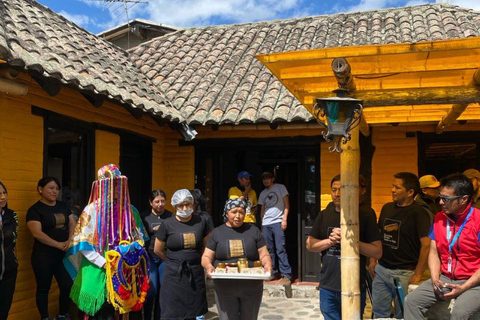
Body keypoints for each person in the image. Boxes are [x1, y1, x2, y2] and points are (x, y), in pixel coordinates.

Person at [63, 164, 148, 319]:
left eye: (119, 184)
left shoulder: (130, 210)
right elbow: (84, 243)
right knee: (101, 312)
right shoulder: (91, 210)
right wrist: (105, 263)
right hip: (99, 266)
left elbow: (139, 238)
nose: (117, 188)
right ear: (102, 186)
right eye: (113, 185)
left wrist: (129, 255)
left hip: (125, 267)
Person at [404, 173, 480, 319]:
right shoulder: (439, 219)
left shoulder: (478, 221)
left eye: (446, 199)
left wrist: (464, 287)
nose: (440, 202)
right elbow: (433, 251)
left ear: (464, 199)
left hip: (475, 281)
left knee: (459, 312)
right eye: (440, 197)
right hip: (446, 278)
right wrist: (434, 278)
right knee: (411, 301)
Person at [306, 175, 382, 320]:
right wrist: (330, 241)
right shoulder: (324, 214)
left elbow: (377, 252)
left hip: (354, 286)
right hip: (328, 284)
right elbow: (310, 244)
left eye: (341, 189)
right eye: (334, 190)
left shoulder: (365, 215)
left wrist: (350, 240)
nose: (337, 194)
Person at [369, 172, 431, 319]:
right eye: (393, 186)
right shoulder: (387, 208)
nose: (392, 190)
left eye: (397, 187)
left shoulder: (419, 213)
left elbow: (427, 245)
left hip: (404, 273)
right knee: (379, 314)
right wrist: (373, 260)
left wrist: (418, 274)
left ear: (410, 192)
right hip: (382, 270)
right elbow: (378, 235)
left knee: (402, 314)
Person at [202, 198, 272, 320]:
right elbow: (206, 256)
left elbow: (264, 254)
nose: (238, 216)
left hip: (251, 285)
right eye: (234, 212)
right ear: (226, 213)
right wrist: (208, 266)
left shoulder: (253, 231)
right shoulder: (217, 232)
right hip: (225, 285)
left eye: (241, 212)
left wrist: (267, 265)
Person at [154, 189, 213, 320]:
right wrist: (172, 260)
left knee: (193, 310)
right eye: (181, 205)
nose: (185, 208)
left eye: (187, 204)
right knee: (172, 311)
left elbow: (206, 246)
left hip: (195, 271)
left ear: (193, 204)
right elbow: (158, 249)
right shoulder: (167, 224)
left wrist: (201, 262)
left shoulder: (201, 222)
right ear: (175, 206)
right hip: (173, 274)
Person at [26, 177, 75, 320]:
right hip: (43, 256)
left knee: (67, 285)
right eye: (51, 188)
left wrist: (69, 239)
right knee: (43, 289)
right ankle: (45, 317)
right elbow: (37, 233)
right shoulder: (34, 210)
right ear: (40, 189)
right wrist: (58, 244)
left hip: (63, 255)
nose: (55, 191)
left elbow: (72, 223)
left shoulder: (63, 206)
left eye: (57, 188)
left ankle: (62, 314)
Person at [258, 171, 292, 296]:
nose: (266, 181)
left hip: (278, 221)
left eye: (268, 179)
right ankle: (272, 272)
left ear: (272, 179)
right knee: (269, 249)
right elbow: (262, 210)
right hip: (266, 223)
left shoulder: (280, 187)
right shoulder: (263, 193)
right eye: (264, 179)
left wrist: (284, 219)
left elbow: (287, 204)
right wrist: (261, 225)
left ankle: (286, 274)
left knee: (280, 248)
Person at [143, 190, 173, 320]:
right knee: (151, 290)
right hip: (149, 257)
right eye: (157, 201)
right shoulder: (144, 217)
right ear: (150, 203)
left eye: (162, 201)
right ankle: (147, 315)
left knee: (163, 289)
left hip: (164, 257)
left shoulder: (171, 217)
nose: (160, 204)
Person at [0, 181, 18, 320]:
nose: (2, 197)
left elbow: (13, 242)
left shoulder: (12, 215)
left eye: (4, 193)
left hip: (9, 271)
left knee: (4, 310)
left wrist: (14, 261)